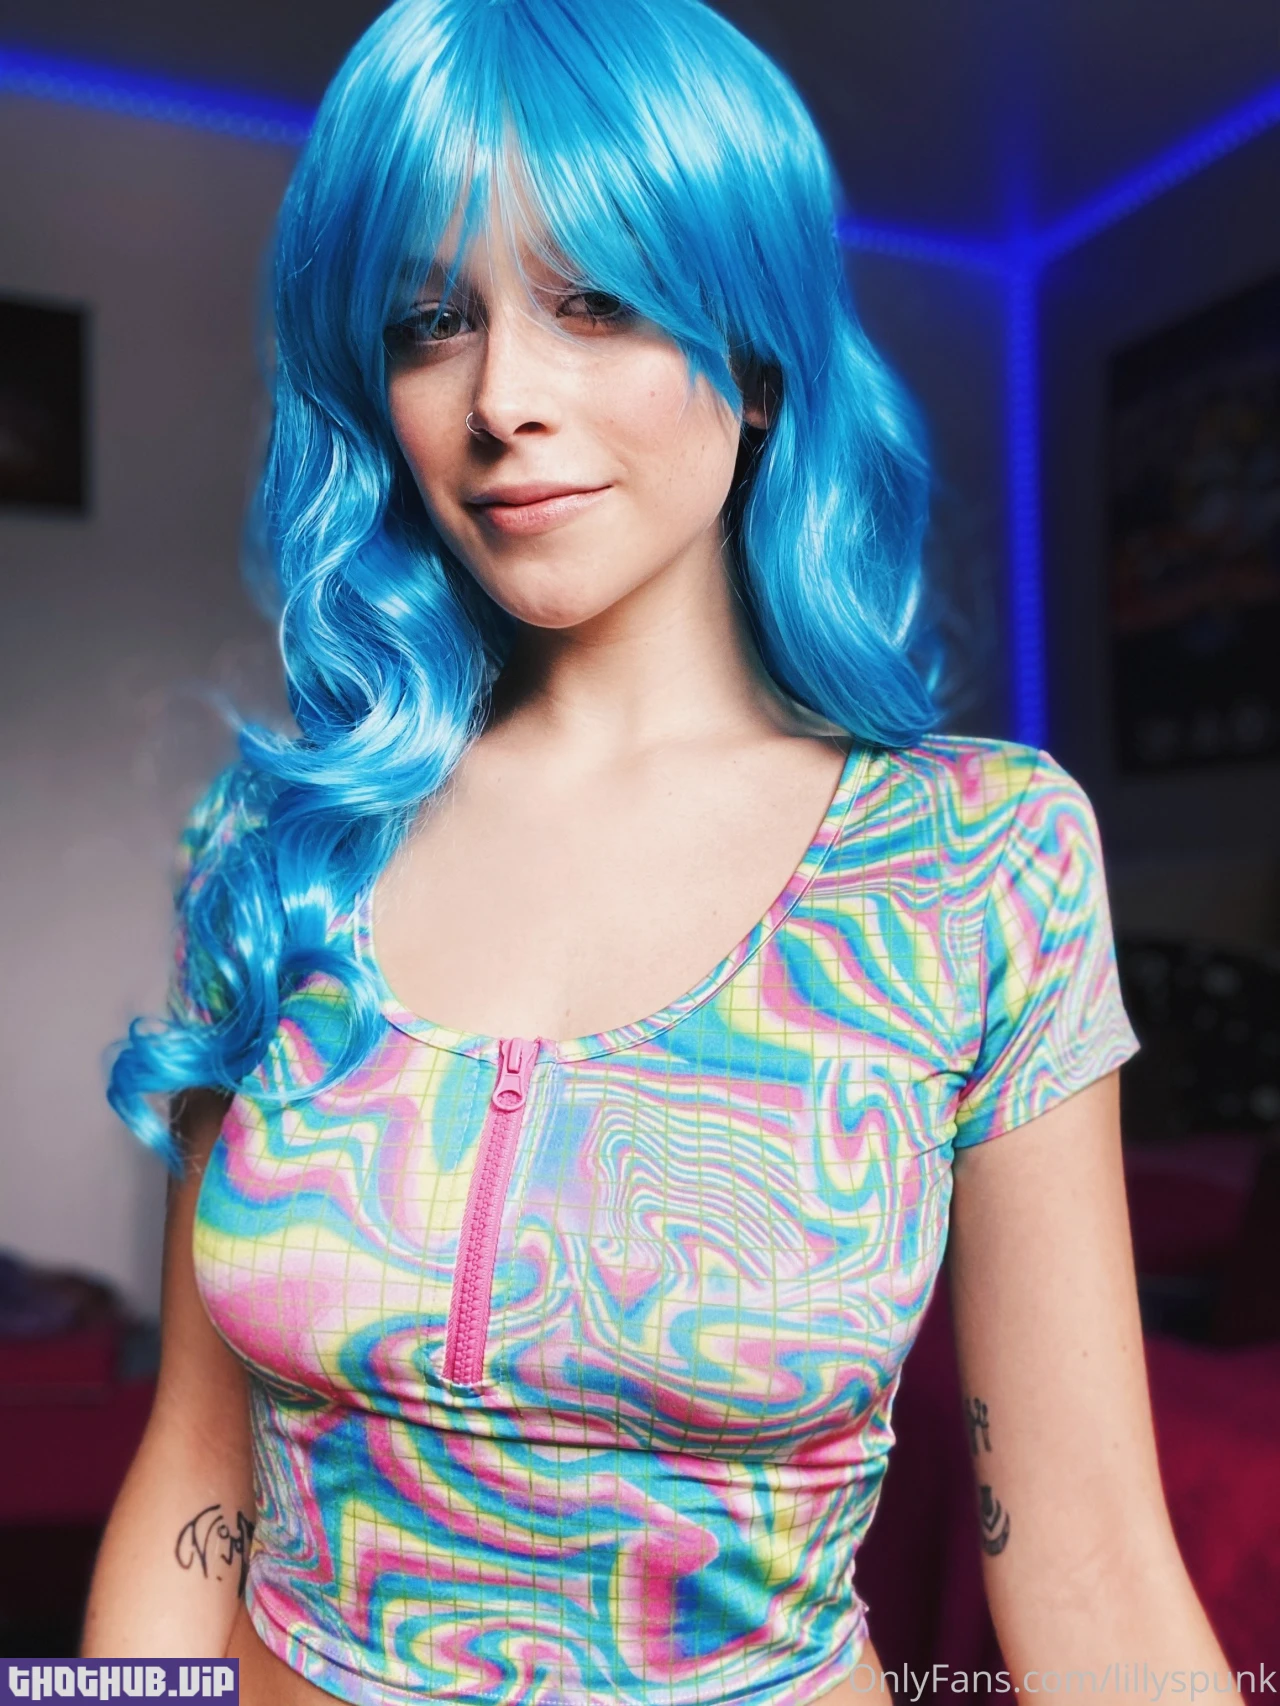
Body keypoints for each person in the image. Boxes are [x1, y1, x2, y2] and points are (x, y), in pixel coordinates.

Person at [83, 0, 1240, 1700]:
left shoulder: (976, 858)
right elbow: (194, 1481)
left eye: (595, 300)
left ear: (757, 357)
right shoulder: (278, 844)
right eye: (431, 320)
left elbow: (1088, 1565)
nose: (501, 398)